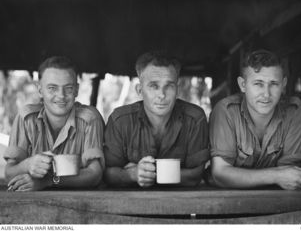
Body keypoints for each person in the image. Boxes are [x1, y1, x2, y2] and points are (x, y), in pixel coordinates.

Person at [209, 49, 301, 190]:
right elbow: (220, 174)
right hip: (227, 202)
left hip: (278, 202)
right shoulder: (226, 111)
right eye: (258, 84)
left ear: (283, 85)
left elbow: (289, 174)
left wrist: (281, 176)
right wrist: (276, 176)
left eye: (274, 84)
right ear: (243, 85)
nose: (266, 94)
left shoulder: (294, 110)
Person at [104, 51, 209, 187]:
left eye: (169, 86)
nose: (161, 95)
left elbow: (196, 175)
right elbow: (107, 173)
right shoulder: (120, 120)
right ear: (139, 90)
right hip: (129, 204)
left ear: (177, 89)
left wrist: (151, 174)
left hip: (182, 203)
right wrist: (133, 174)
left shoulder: (195, 119)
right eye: (154, 86)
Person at [4, 56, 105, 191]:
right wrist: (27, 165)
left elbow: (95, 174)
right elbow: (8, 173)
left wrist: (49, 181)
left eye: (68, 88)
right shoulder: (26, 118)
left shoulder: (90, 119)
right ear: (40, 90)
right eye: (52, 88)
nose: (61, 95)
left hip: (82, 204)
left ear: (76, 89)